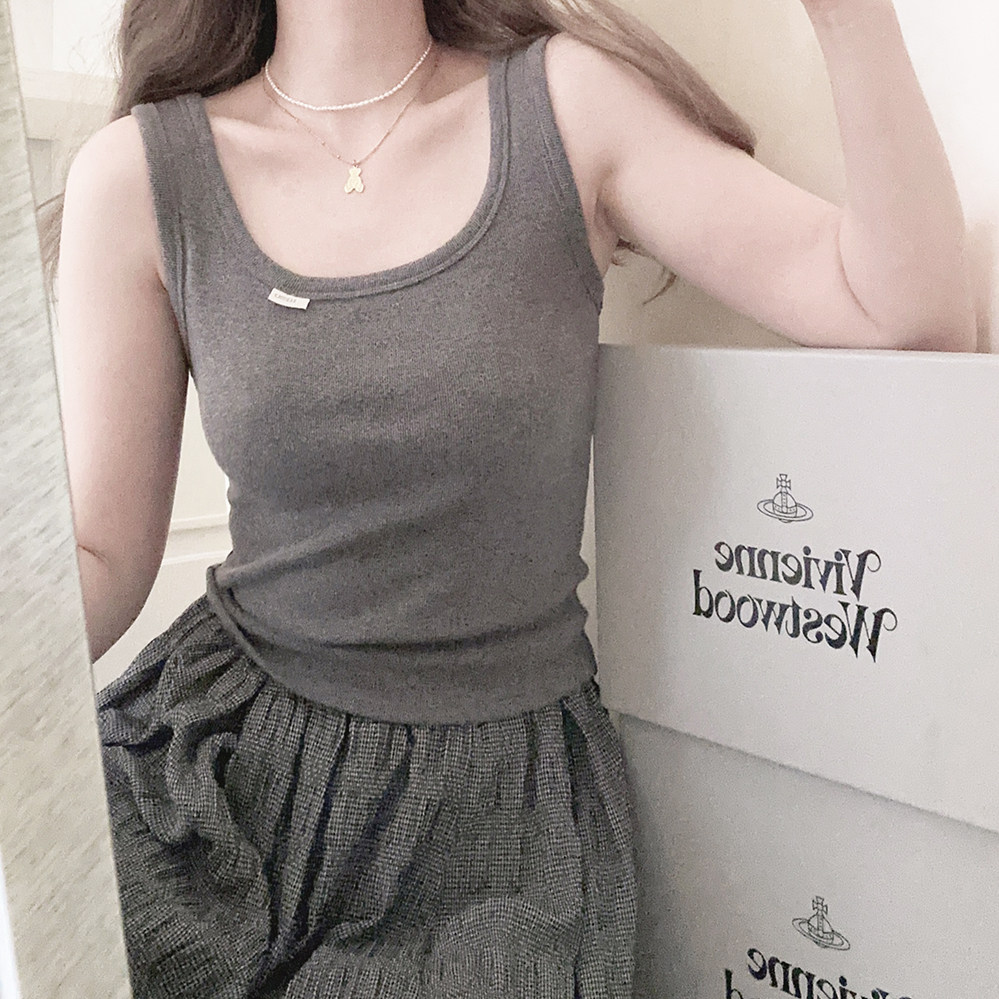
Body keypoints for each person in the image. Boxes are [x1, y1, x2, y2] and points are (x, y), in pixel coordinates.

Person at [52, 0, 975, 994]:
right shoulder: (138, 173)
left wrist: (849, 18)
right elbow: (100, 553)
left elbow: (906, 315)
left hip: (493, 828)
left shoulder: (568, 105)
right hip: (210, 773)